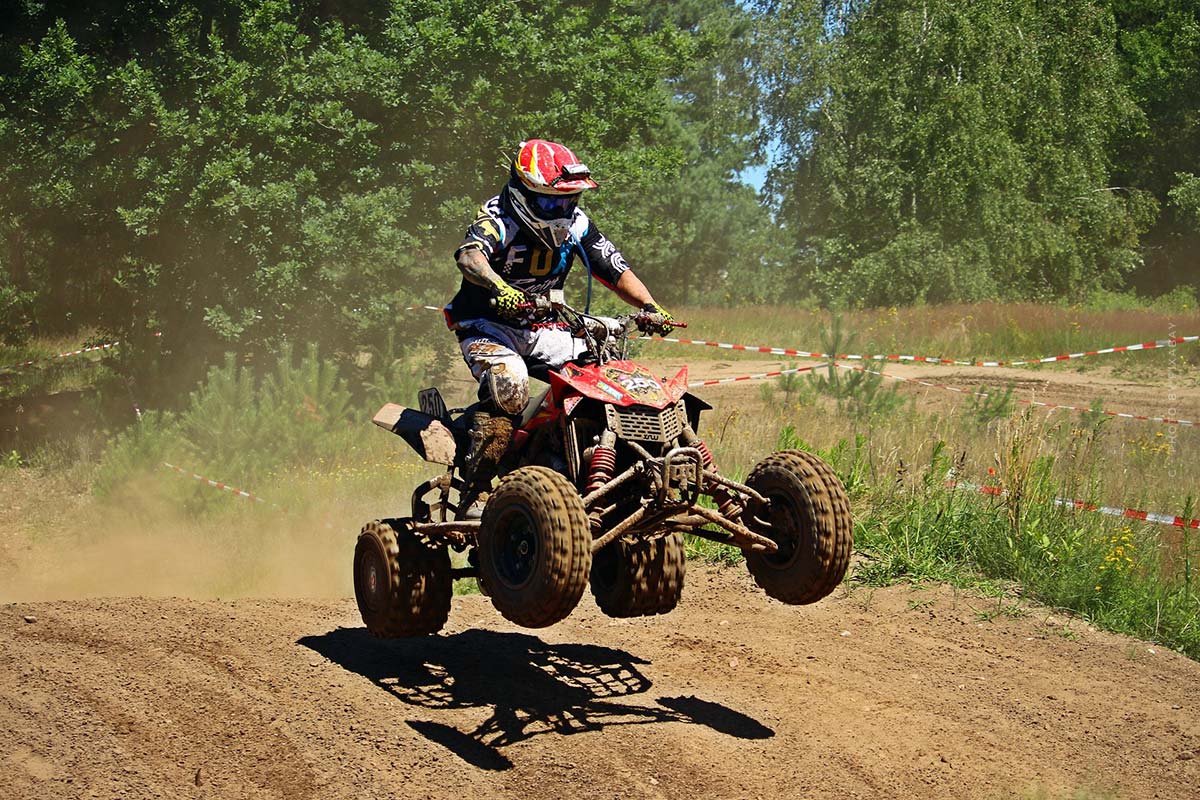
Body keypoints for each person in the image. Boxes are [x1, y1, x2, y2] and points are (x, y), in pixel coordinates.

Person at [445, 138, 673, 485]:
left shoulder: (577, 224)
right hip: (488, 327)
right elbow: (469, 256)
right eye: (551, 201)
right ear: (524, 192)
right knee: (510, 382)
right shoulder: (498, 217)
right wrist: (498, 287)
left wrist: (649, 304)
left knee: (608, 371)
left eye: (569, 199)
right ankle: (477, 488)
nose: (561, 208)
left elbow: (613, 268)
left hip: (543, 328)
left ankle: (589, 466)